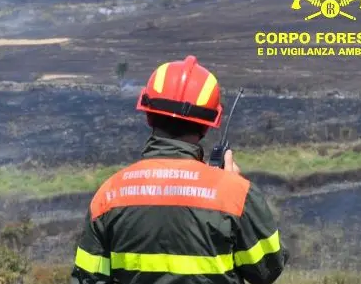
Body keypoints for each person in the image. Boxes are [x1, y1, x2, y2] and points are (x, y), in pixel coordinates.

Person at [70, 55, 288, 284]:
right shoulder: (235, 195)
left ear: (148, 115)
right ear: (207, 124)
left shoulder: (109, 195)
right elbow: (267, 269)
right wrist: (234, 188)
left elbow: (87, 279)